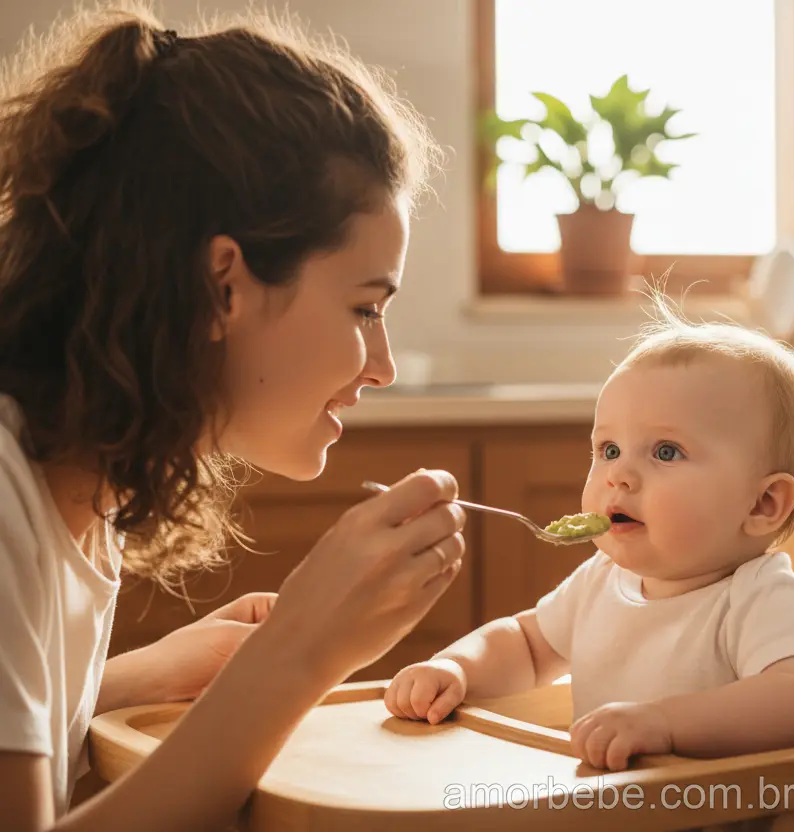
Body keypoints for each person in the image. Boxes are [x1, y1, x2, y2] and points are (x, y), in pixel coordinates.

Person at [0, 3, 467, 829]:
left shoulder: (75, 497)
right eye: (366, 309)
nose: (383, 366)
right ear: (224, 285)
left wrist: (138, 679)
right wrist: (301, 653)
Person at [386, 293, 794, 772]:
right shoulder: (600, 580)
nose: (619, 475)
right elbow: (525, 646)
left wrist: (663, 723)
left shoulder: (759, 595)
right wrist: (456, 669)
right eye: (609, 450)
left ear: (762, 504)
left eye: (666, 452)